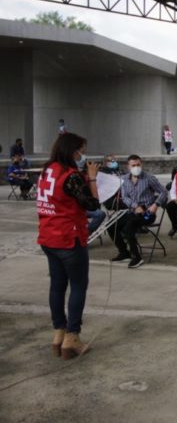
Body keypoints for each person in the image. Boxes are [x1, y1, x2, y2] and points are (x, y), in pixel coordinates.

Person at [37, 132, 100, 359]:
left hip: (48, 236)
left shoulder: (47, 170)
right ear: (72, 151)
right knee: (78, 286)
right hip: (68, 237)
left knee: (57, 286)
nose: (83, 155)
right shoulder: (71, 176)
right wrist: (91, 178)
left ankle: (58, 333)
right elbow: (92, 204)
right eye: (81, 151)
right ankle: (72, 337)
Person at [109, 155, 168, 269]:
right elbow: (124, 197)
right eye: (133, 165)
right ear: (128, 166)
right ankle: (124, 252)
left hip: (147, 214)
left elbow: (164, 192)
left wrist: (155, 205)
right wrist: (135, 206)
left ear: (142, 164)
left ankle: (136, 257)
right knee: (112, 226)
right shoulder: (124, 179)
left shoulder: (149, 178)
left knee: (129, 226)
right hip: (132, 212)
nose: (136, 167)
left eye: (138, 165)